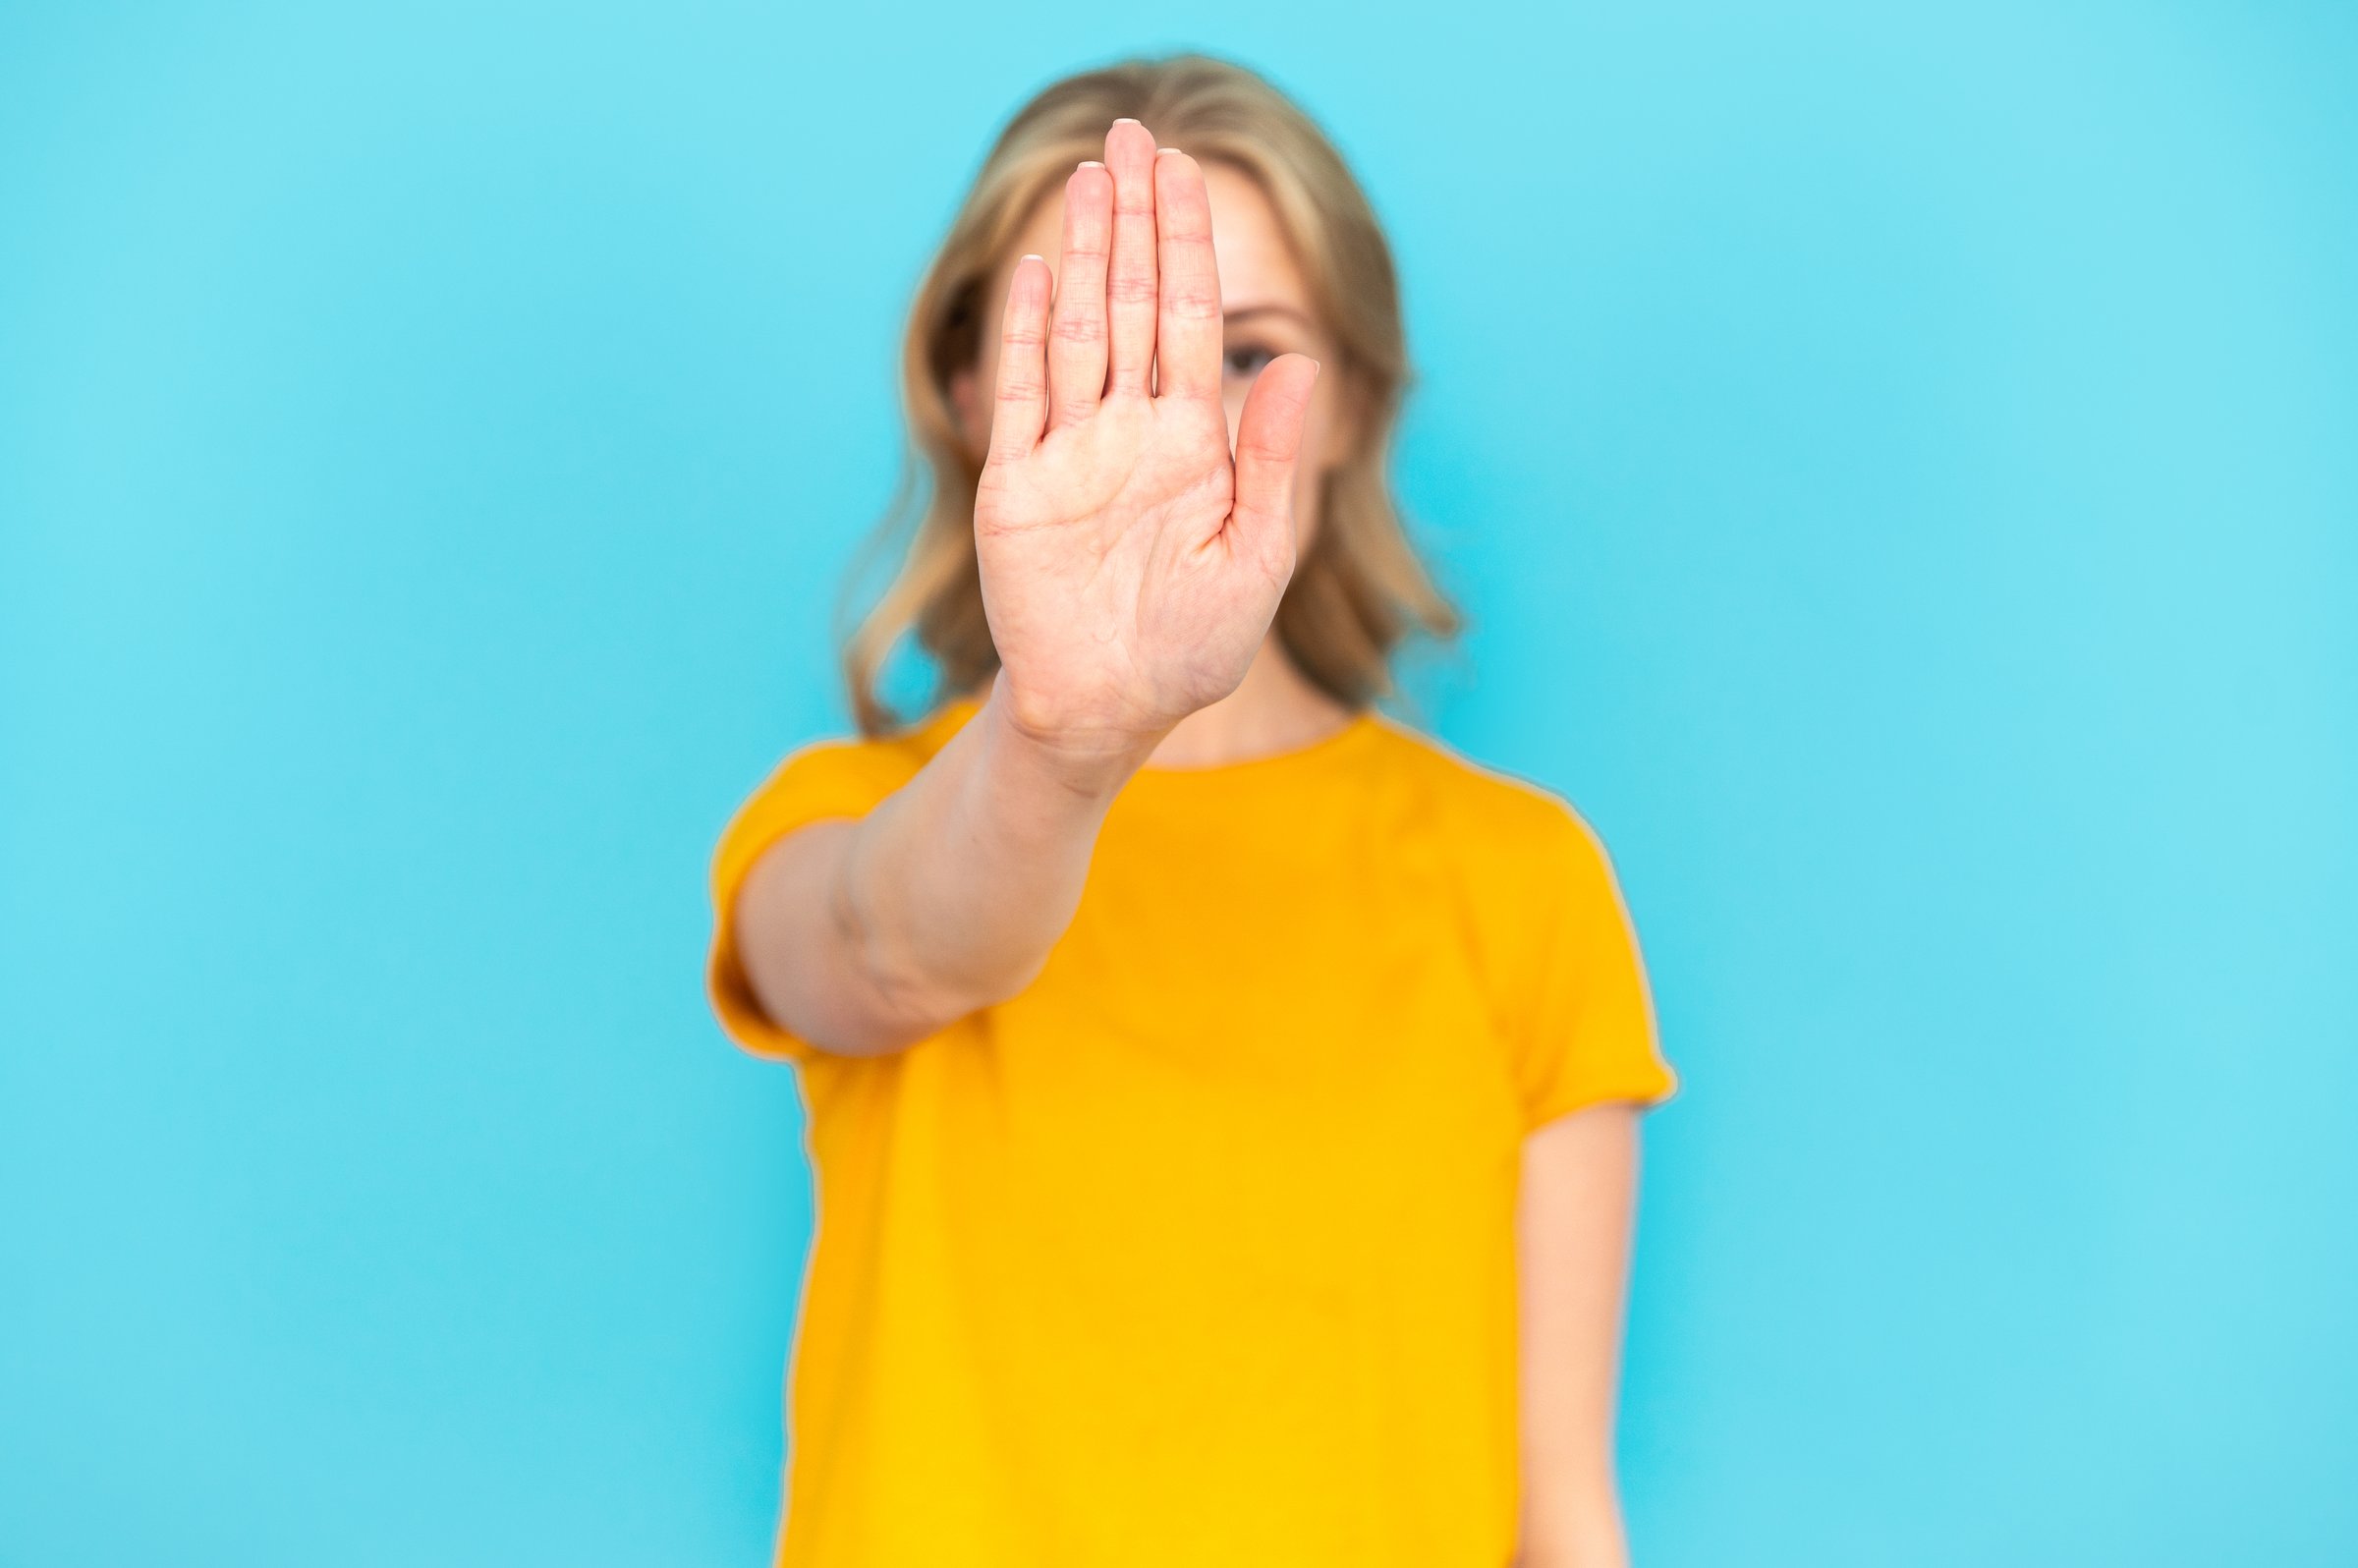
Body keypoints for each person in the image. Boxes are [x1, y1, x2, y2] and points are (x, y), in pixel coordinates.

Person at [705, 53, 1680, 1568]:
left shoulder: (1520, 883)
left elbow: (1561, 1513)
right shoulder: (837, 821)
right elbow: (894, 956)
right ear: (974, 393)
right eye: (1101, 351)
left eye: (1243, 351)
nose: (1171, 427)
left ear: (1351, 399)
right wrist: (1070, 733)